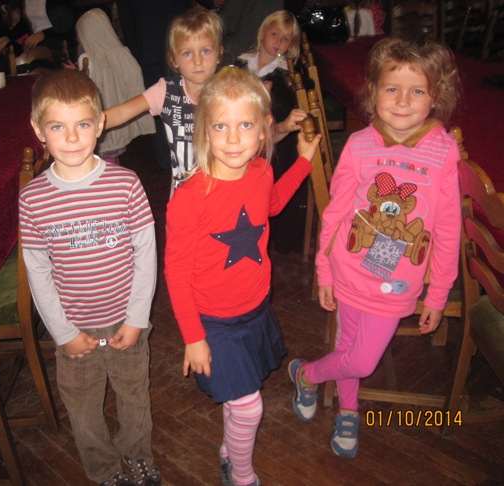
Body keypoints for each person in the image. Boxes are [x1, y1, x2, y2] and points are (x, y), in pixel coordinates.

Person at [288, 36, 462, 458]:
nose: (402, 101)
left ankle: (307, 374)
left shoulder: (444, 152)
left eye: (416, 91)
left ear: (435, 96)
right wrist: (324, 272)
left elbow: (447, 229)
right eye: (392, 88)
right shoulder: (359, 145)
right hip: (349, 270)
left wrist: (438, 293)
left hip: (396, 284)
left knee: (362, 360)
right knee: (348, 347)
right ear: (373, 91)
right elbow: (335, 214)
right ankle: (348, 408)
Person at [164, 66, 321, 486]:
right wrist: (193, 336)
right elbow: (176, 271)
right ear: (204, 130)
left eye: (245, 125)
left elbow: (272, 204)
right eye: (221, 126)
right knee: (250, 406)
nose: (233, 139)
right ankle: (241, 473)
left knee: (239, 398)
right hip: (213, 322)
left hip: (253, 309)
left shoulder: (261, 172)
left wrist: (303, 163)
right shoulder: (190, 197)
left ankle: (229, 448)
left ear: (265, 128)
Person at [20, 69, 160, 486]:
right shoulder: (32, 199)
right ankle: (103, 470)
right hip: (74, 328)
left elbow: (146, 254)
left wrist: (137, 318)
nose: (71, 138)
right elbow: (37, 270)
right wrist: (62, 332)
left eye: (82, 124)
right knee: (82, 407)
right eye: (57, 127)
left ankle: (138, 454)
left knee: (134, 396)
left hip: (125, 321)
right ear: (38, 130)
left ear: (100, 124)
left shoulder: (125, 184)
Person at [103, 7, 223, 192]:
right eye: (187, 53)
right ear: (174, 60)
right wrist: (89, 123)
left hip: (223, 192)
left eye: (205, 51)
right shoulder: (166, 91)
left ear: (219, 54)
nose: (197, 61)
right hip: (184, 195)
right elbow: (121, 112)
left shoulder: (230, 92)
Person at [239, 9, 311, 254]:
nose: (278, 42)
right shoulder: (241, 63)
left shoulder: (286, 75)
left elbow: (282, 117)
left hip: (276, 143)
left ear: (291, 45)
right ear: (263, 33)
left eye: (285, 39)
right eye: (274, 35)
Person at [75, 8, 155, 164]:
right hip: (119, 120)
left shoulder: (88, 58)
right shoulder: (122, 52)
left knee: (103, 159)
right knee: (113, 156)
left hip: (100, 120)